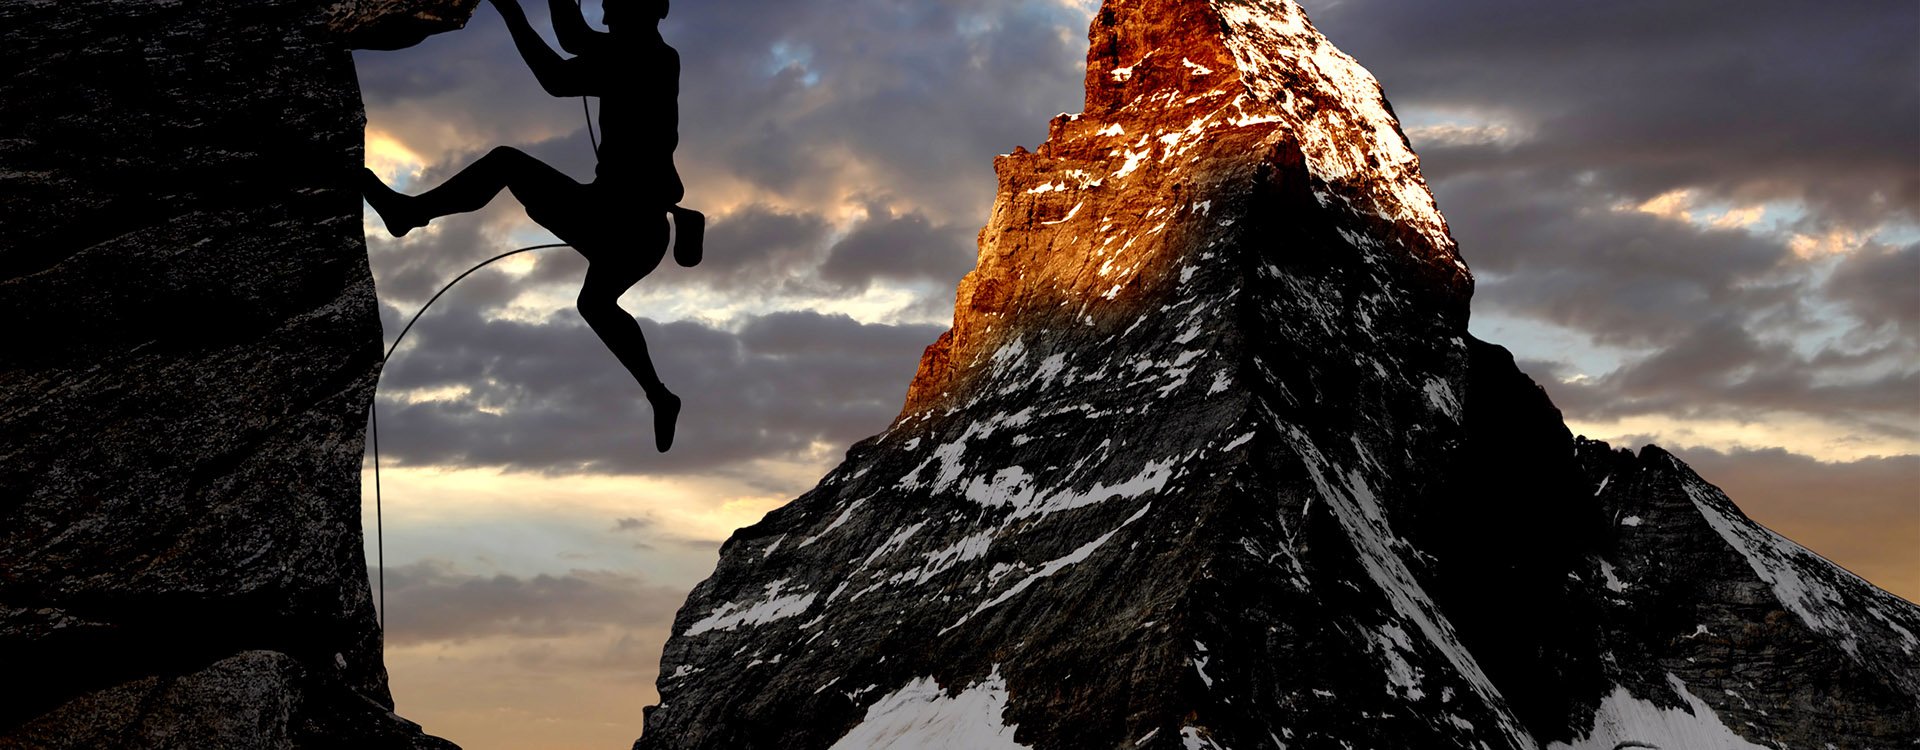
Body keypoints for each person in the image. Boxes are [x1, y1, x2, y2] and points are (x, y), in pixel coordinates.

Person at [359, 0, 701, 453]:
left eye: (610, 6)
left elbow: (558, 77)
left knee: (505, 164)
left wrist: (511, 11)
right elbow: (575, 37)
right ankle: (660, 395)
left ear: (634, 13)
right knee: (596, 304)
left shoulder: (639, 58)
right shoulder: (650, 54)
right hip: (638, 231)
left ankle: (410, 213)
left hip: (617, 220)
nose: (602, 13)